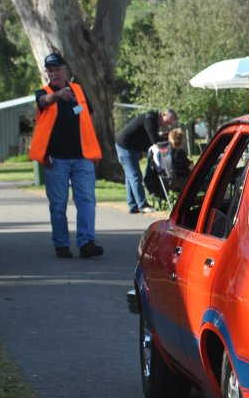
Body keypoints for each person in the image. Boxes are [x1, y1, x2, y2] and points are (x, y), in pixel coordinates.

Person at [29, 52, 104, 259]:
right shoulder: (42, 93)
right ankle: (61, 244)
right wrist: (56, 96)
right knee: (58, 204)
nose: (53, 74)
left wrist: (92, 155)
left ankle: (87, 242)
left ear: (65, 70)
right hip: (56, 160)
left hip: (82, 158)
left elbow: (86, 116)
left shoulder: (78, 91)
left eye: (57, 69)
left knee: (87, 200)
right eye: (50, 70)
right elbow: (43, 101)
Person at [115, 108, 177, 213]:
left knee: (130, 178)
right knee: (135, 176)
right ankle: (142, 205)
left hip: (129, 148)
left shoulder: (153, 120)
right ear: (163, 114)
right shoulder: (150, 119)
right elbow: (155, 141)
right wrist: (169, 139)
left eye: (170, 124)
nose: (167, 125)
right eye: (167, 122)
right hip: (126, 147)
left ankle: (133, 206)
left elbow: (151, 136)